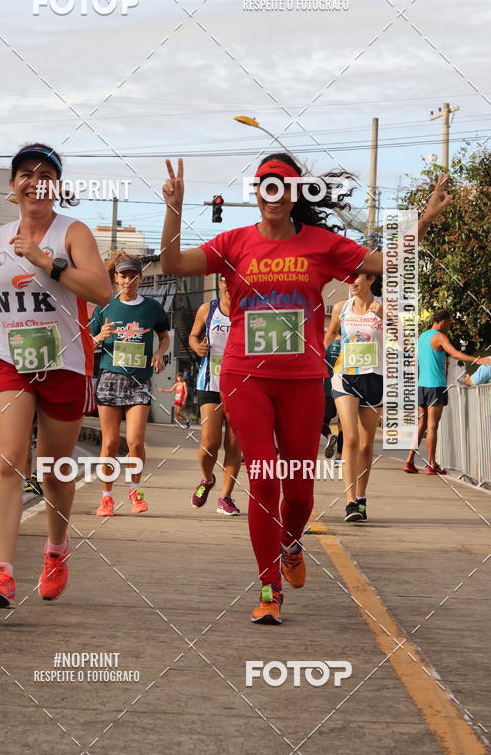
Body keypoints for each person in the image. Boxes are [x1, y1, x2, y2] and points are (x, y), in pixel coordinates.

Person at [161, 155, 452, 624]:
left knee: (298, 489)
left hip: (300, 380)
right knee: (264, 476)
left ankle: (292, 542)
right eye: (265, 185)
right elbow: (173, 262)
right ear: (257, 193)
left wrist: (425, 219)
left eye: (283, 186)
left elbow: (386, 261)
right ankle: (269, 587)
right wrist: (174, 208)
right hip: (245, 376)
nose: (273, 193)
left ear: (295, 194)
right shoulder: (234, 242)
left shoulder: (321, 244)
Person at [0, 143, 111, 608]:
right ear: (13, 186)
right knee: (7, 461)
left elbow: (102, 289)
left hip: (66, 363)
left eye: (46, 174)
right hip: (12, 360)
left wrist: (45, 259)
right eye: (26, 173)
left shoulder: (72, 232)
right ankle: (2, 575)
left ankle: (56, 549)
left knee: (54, 471)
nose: (36, 180)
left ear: (58, 186)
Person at [90, 253, 170, 518]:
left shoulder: (152, 308)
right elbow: (86, 342)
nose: (128, 280)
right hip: (110, 378)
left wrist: (159, 354)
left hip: (139, 380)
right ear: (115, 278)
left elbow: (164, 337)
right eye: (123, 275)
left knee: (135, 441)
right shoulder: (104, 307)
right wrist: (100, 336)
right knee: (110, 443)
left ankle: (136, 489)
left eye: (133, 275)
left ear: (141, 278)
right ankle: (106, 497)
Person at [325, 273, 383, 521]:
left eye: (357, 278)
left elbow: (403, 339)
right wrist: (323, 353)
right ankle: (349, 501)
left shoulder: (383, 305)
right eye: (349, 278)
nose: (352, 282)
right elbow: (330, 335)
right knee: (349, 438)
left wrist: (384, 317)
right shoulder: (341, 307)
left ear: (370, 280)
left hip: (375, 377)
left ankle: (361, 497)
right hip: (345, 376)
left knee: (366, 445)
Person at [404, 310, 491, 475]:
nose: (449, 327)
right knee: (432, 426)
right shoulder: (439, 337)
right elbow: (454, 353)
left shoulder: (423, 336)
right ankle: (431, 465)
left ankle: (409, 461)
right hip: (435, 386)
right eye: (449, 323)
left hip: (421, 386)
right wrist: (478, 360)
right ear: (442, 322)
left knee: (421, 424)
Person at [188, 274, 242, 515]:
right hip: (210, 382)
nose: (229, 286)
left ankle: (226, 497)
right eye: (225, 281)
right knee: (210, 443)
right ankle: (207, 479)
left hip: (241, 386)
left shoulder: (246, 311)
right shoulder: (207, 309)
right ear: (220, 283)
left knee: (234, 445)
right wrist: (197, 346)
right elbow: (193, 335)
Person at [322, 333, 342, 458]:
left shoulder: (327, 346)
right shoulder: (348, 346)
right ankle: (339, 456)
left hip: (328, 389)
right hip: (344, 390)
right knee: (343, 426)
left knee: (322, 422)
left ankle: (329, 435)